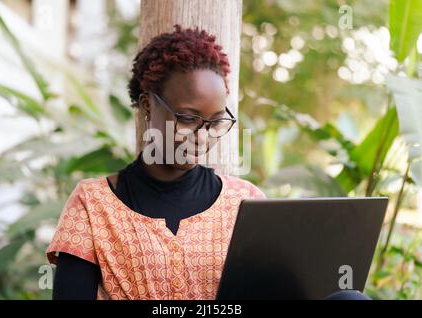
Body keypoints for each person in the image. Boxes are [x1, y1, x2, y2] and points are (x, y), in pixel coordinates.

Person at [46, 25, 369, 301]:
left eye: (215, 122)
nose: (202, 136)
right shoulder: (93, 204)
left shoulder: (245, 202)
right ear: (147, 106)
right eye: (188, 118)